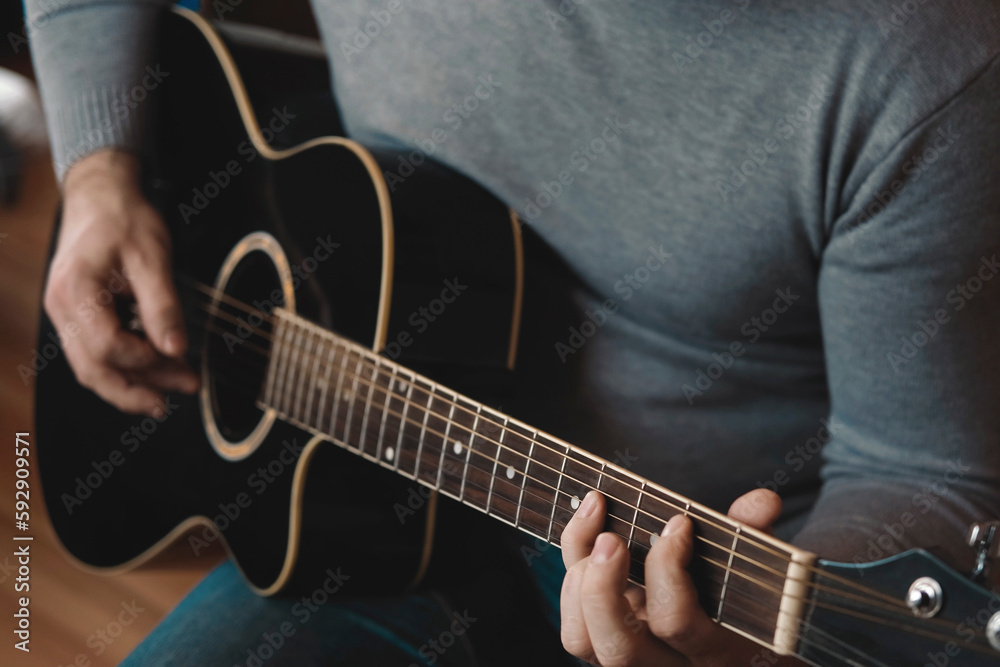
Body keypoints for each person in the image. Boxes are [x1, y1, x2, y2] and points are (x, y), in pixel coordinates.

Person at [26, 0, 1000, 665]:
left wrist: (742, 638)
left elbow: (924, 477)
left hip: (691, 578)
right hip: (361, 507)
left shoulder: (928, 57)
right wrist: (99, 167)